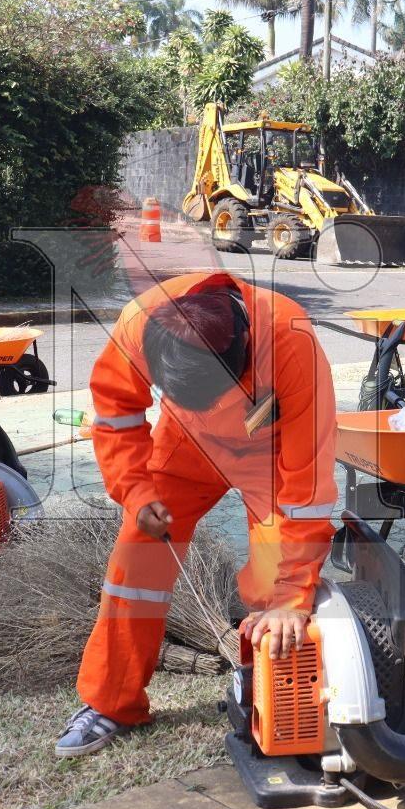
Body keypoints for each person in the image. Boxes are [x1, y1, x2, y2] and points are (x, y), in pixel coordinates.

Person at [55, 272, 337, 757]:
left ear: (245, 346)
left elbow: (306, 488)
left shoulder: (291, 341)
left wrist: (292, 594)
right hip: (184, 445)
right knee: (136, 563)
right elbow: (116, 416)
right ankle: (112, 704)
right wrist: (137, 492)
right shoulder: (138, 325)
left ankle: (273, 695)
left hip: (269, 457)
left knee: (275, 587)